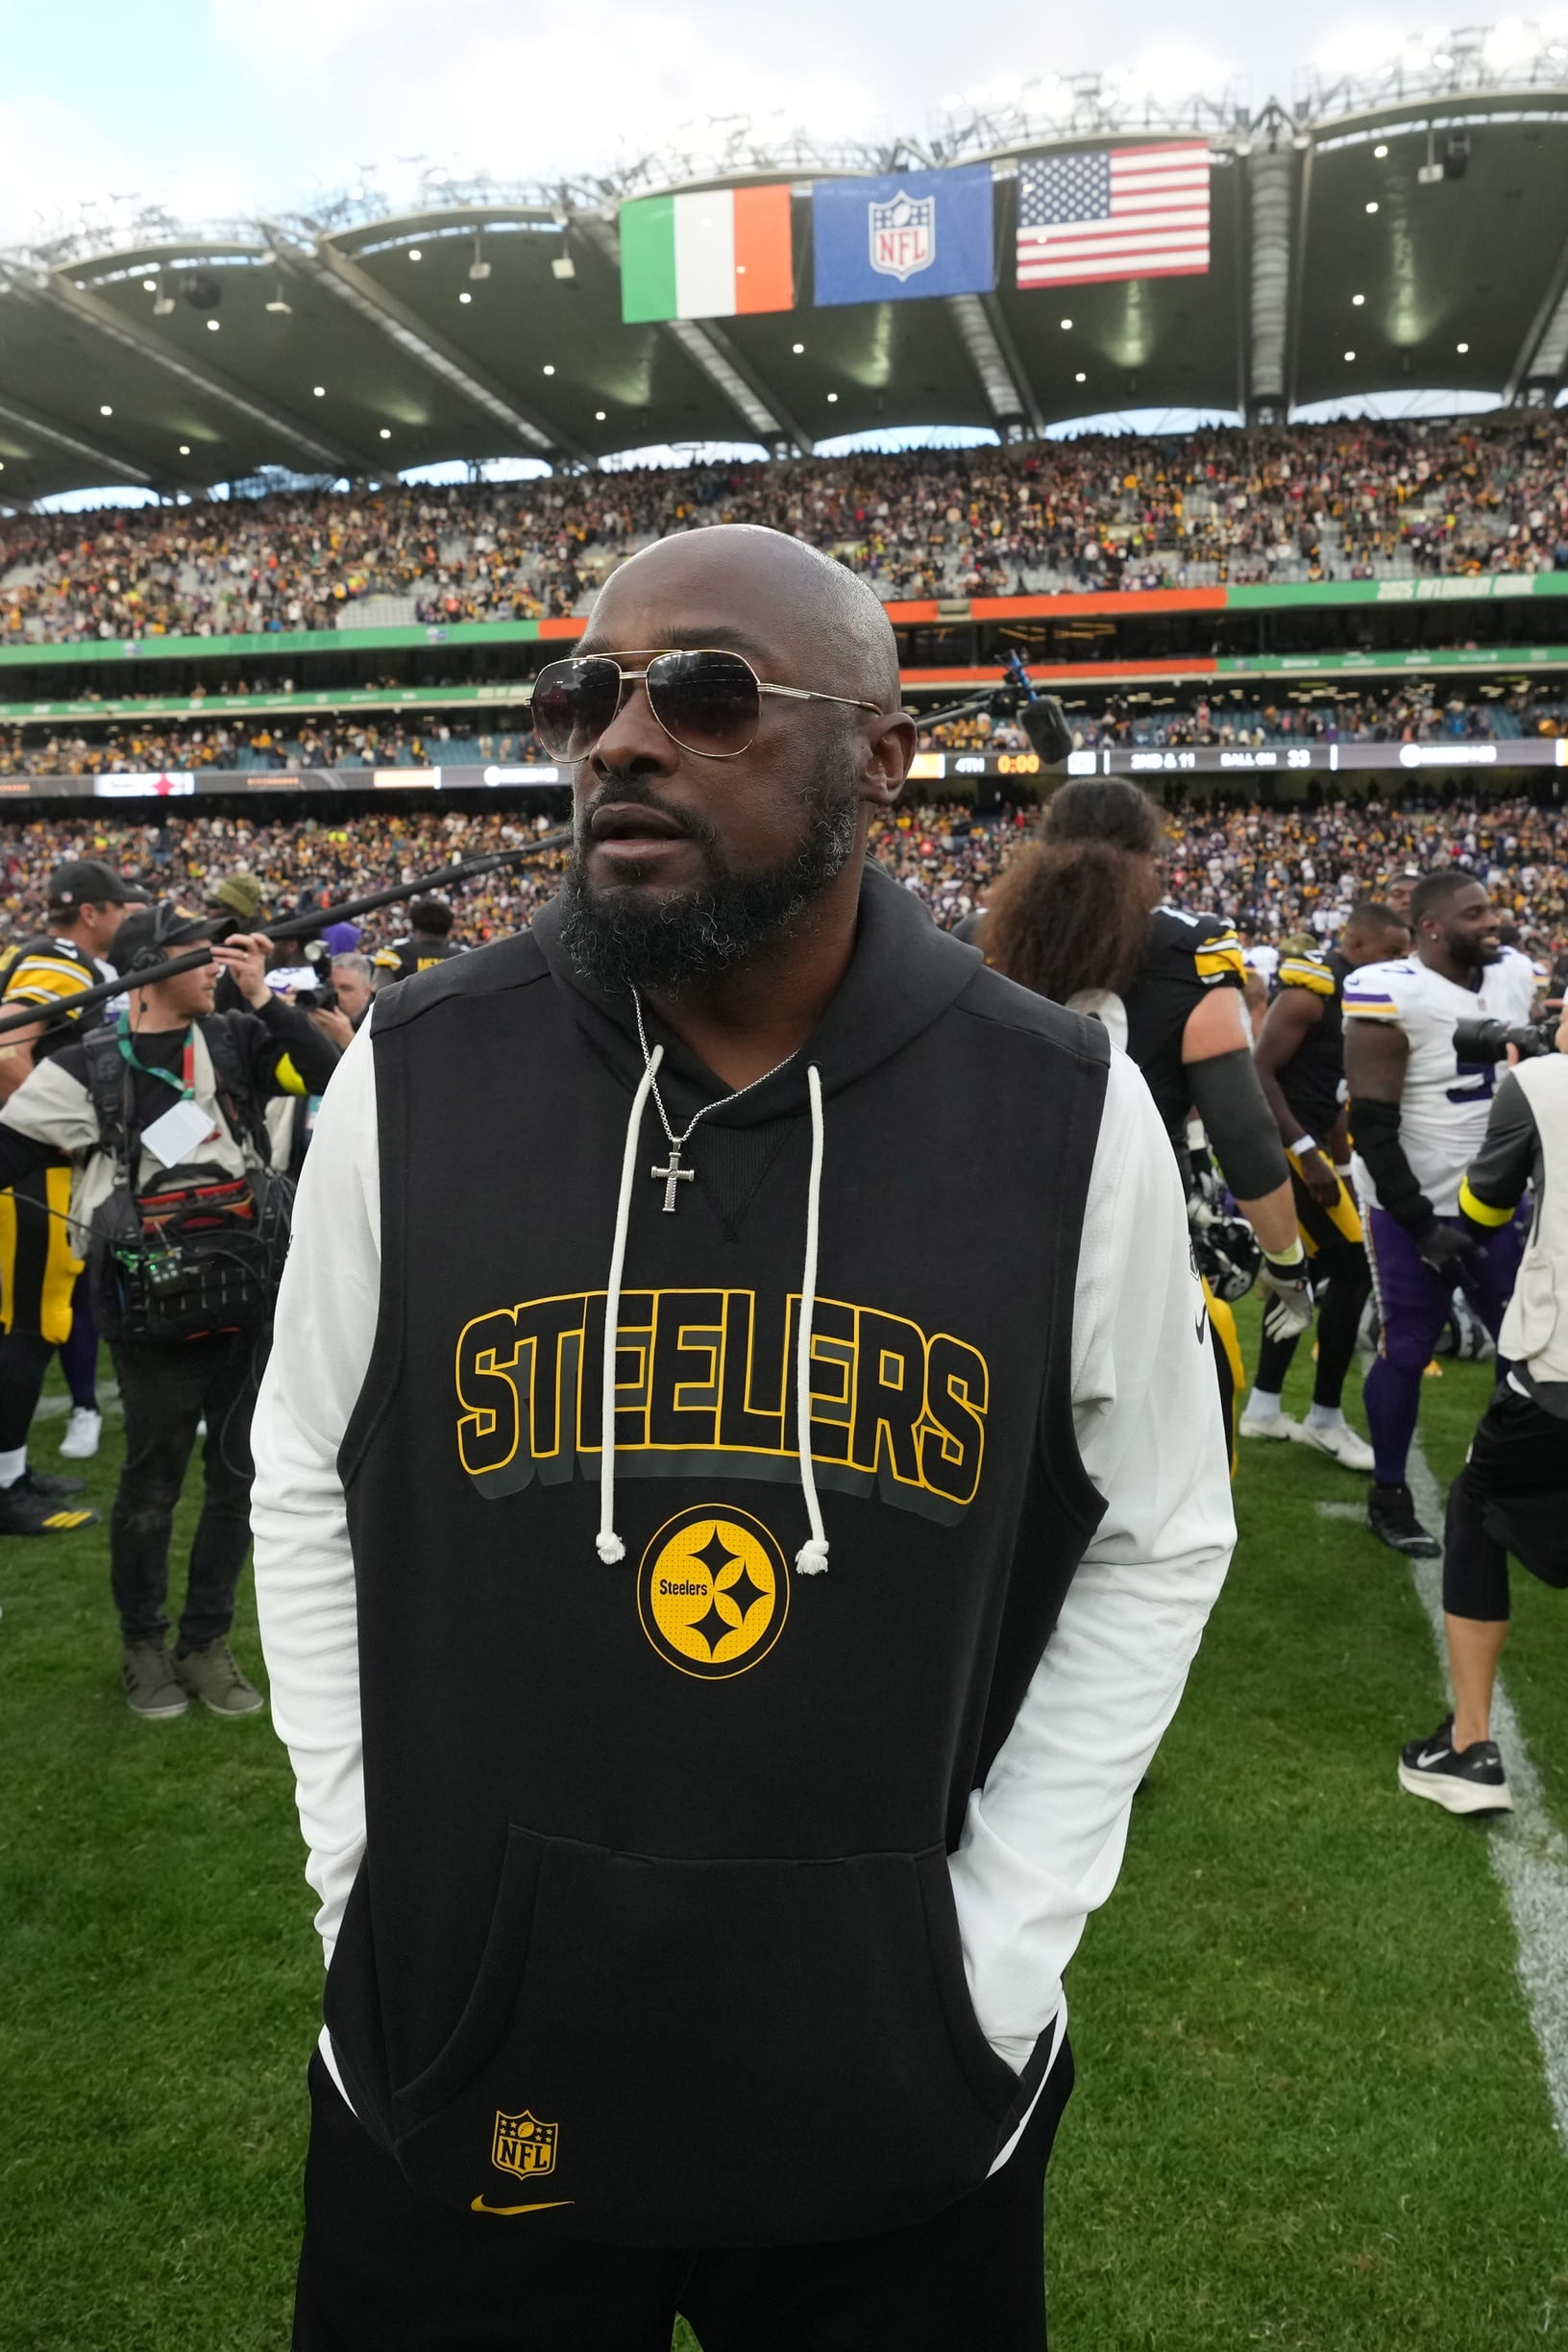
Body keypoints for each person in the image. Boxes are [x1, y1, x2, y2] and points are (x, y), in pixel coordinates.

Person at [253, 526, 1235, 2351]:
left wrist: (996, 1950)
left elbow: (1162, 1525)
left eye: (705, 693)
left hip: (891, 2081)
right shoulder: (421, 1066)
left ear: (883, 754)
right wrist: (366, 1881)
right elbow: (306, 1469)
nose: (623, 737)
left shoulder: (1058, 1102)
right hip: (460, 2053)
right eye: (585, 695)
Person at [0, 902, 340, 1718]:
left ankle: (205, 1641)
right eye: (198, 953)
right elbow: (9, 1149)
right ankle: (144, 1646)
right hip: (148, 1310)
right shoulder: (85, 1066)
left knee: (236, 1480)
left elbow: (326, 1073)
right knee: (151, 1487)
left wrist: (264, 997)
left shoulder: (237, 1036)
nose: (216, 965)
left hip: (249, 1293)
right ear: (151, 967)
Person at [979, 778, 1313, 1457]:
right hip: (1136, 1234)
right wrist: (1287, 1261)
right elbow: (1241, 1129)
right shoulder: (1192, 950)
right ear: (1147, 851)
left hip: (1001, 1228)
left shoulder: (981, 936)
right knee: (1158, 1469)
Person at [1399, 996, 1568, 1812]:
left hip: (1559, 1375)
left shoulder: (1541, 1084)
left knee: (1475, 1508)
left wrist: (1521, 1090)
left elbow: (1482, 1210)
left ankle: (1468, 1747)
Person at [1343, 870, 1530, 1556]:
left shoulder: (1513, 974)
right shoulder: (1392, 991)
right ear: (1430, 928)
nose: (1492, 921)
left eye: (1491, 908)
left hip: (1496, 1197)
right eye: (1474, 913)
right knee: (1408, 1346)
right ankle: (1389, 1495)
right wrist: (1421, 1225)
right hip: (1410, 1204)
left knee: (1526, 1344)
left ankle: (1511, 1480)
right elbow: (1370, 1124)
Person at [1240, 899, 1411, 1467]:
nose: (1399, 962)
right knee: (1355, 1266)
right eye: (1391, 951)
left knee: (1303, 1274)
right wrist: (1306, 1153)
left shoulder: (1363, 996)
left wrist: (1339, 1165)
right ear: (1356, 944)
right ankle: (1325, 1418)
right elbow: (1258, 1071)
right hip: (1283, 1146)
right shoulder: (1312, 989)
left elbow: (1333, 1092)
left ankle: (1264, 1408)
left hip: (1312, 1145)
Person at [0, 859, 132, 1529]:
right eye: (118, 906)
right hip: (30, 1169)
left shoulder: (46, 956)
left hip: (27, 1166)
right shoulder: (60, 960)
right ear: (90, 912)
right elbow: (7, 1049)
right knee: (31, 1323)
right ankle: (5, 1487)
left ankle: (13, 1467)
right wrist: (60, 1134)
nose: (124, 917)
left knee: (35, 1320)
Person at [371, 895, 460, 987]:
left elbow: (380, 992)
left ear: (413, 927)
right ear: (448, 929)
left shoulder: (395, 956)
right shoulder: (462, 957)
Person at [329, 953, 375, 1030]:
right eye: (330, 987)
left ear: (367, 992)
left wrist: (347, 1036)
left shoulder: (382, 1022)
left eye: (345, 989)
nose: (335, 995)